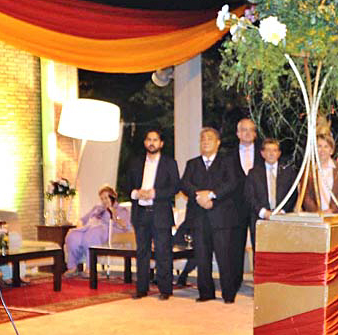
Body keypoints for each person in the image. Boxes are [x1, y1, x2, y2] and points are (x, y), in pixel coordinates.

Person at [180, 127, 241, 302]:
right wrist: (199, 196)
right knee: (202, 258)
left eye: (210, 139)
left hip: (221, 217)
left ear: (218, 143)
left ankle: (228, 295)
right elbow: (185, 183)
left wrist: (212, 195)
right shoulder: (192, 163)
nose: (205, 141)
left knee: (224, 258)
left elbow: (231, 183)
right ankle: (205, 294)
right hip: (199, 217)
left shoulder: (227, 162)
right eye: (203, 139)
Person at [126, 128, 179, 299]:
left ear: (161, 143)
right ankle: (141, 289)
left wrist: (155, 193)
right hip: (140, 213)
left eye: (155, 140)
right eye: (149, 139)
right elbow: (126, 186)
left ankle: (165, 290)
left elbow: (175, 187)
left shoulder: (169, 163)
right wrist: (136, 193)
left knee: (163, 252)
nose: (152, 143)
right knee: (142, 252)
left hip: (160, 213)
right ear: (144, 143)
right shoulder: (135, 162)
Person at [67, 185, 132, 275]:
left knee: (92, 234)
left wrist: (115, 215)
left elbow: (125, 225)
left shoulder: (121, 209)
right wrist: (80, 225)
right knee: (73, 236)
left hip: (106, 229)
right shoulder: (97, 208)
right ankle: (72, 267)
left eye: (106, 197)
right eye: (102, 199)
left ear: (113, 196)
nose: (104, 201)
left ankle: (90, 268)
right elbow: (83, 219)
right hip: (90, 227)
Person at [231, 117, 261, 290]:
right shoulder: (228, 155)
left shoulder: (264, 154)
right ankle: (235, 282)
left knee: (260, 246)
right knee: (236, 245)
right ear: (238, 133)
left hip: (258, 207)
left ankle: (260, 282)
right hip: (236, 207)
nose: (247, 133)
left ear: (255, 134)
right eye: (244, 130)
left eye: (251, 130)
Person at [245, 137, 297, 238]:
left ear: (279, 153)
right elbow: (249, 196)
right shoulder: (253, 173)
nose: (271, 153)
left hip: (283, 220)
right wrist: (264, 213)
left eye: (274, 150)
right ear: (262, 153)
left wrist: (282, 211)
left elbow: (293, 194)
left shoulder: (288, 172)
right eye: (268, 150)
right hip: (260, 220)